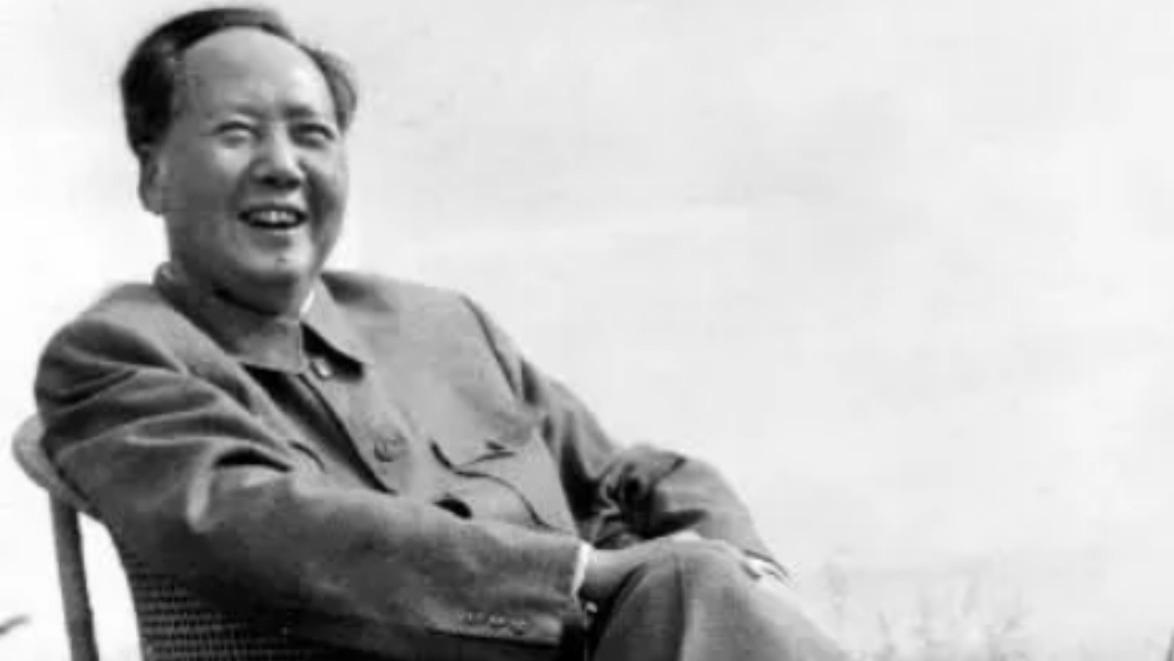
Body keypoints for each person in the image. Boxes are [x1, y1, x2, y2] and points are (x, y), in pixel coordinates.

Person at [32, 6, 847, 660]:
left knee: (699, 580)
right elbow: (260, 528)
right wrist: (581, 574)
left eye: (312, 134)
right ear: (154, 175)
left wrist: (740, 560)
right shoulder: (116, 354)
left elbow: (622, 476)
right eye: (237, 132)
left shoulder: (443, 327)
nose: (282, 165)